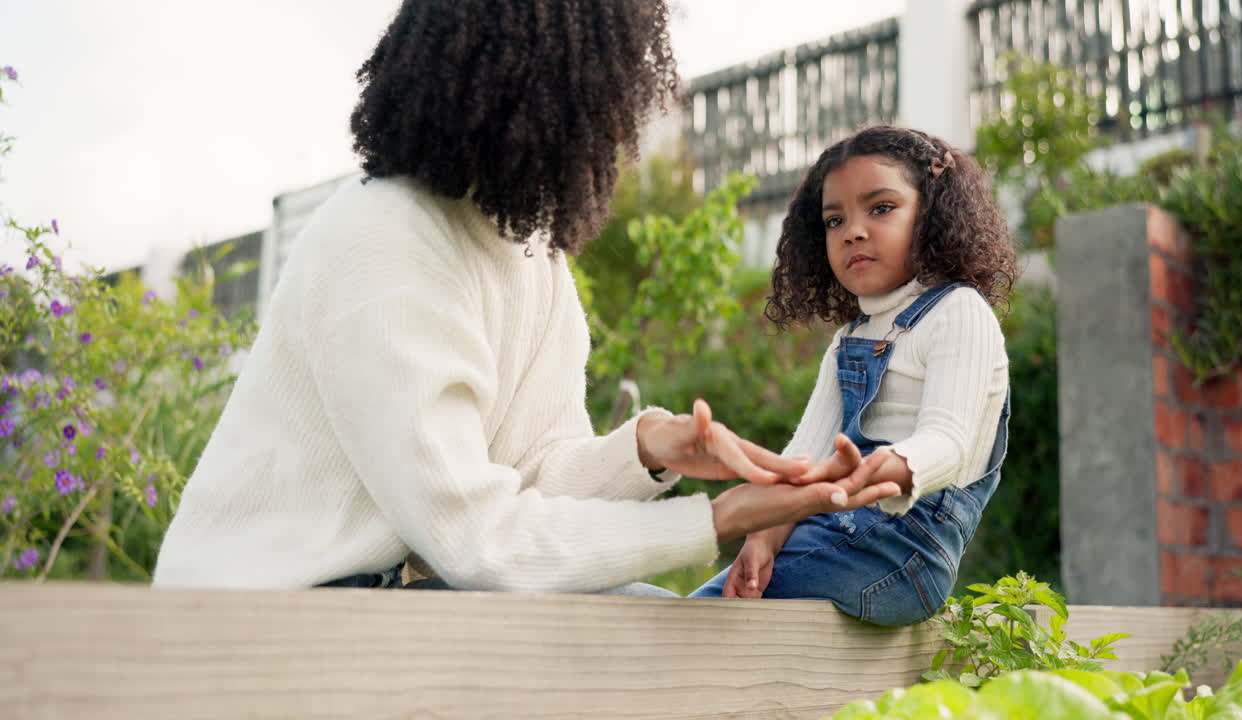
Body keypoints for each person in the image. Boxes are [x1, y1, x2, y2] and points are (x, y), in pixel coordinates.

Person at [152, 0, 901, 593]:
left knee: (652, 630)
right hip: (264, 612)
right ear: (535, 89)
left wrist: (644, 450)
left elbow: (531, 474)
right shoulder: (381, 235)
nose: (619, 126)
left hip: (393, 598)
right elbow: (475, 536)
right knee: (640, 644)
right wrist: (715, 522)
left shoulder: (533, 256)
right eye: (603, 95)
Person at [688, 125, 1019, 625]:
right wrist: (763, 538)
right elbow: (804, 457)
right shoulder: (850, 338)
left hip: (901, 550)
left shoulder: (959, 311)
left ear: (931, 214)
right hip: (832, 527)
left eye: (881, 208)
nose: (853, 231)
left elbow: (949, 443)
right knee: (712, 609)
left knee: (701, 621)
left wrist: (877, 470)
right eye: (834, 219)